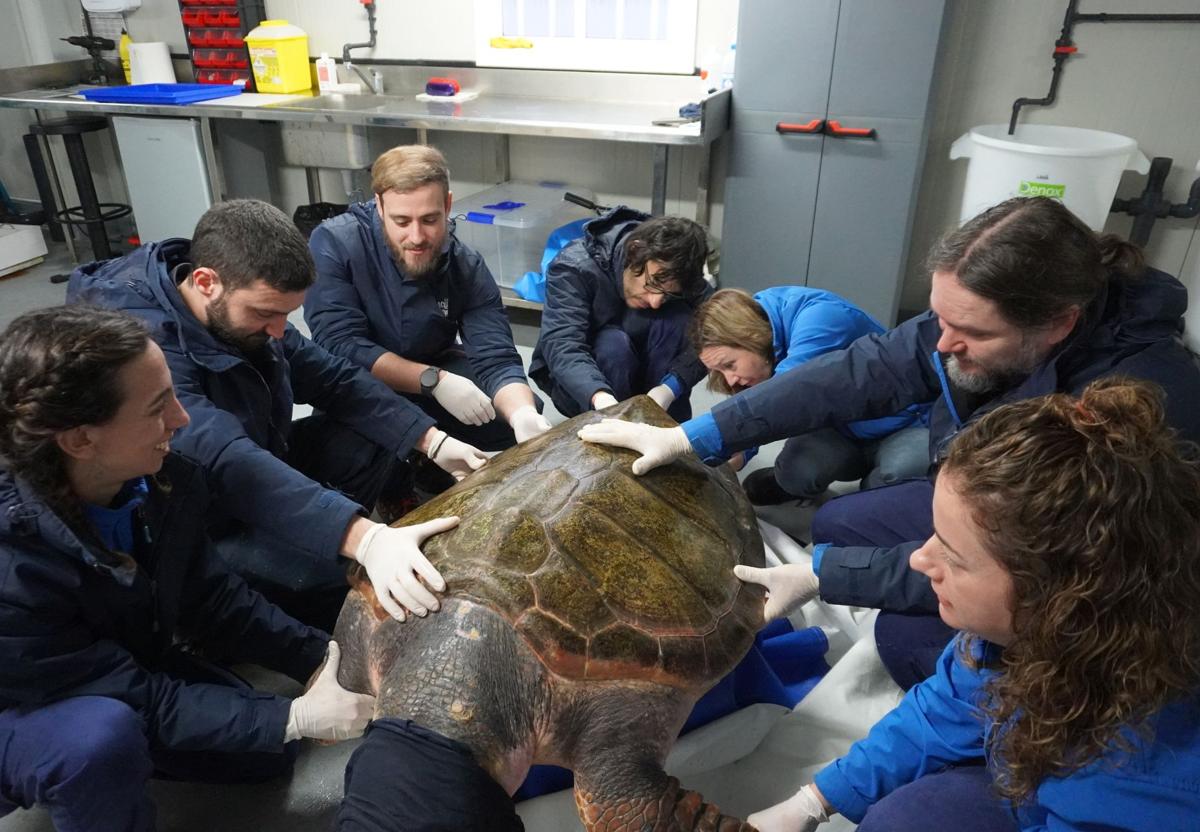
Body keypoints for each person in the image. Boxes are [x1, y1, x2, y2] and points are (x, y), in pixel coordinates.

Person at [579, 196, 1200, 688]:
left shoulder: (1133, 416)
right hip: (978, 491)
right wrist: (698, 435)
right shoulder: (993, 321)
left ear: (1058, 323)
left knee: (906, 640)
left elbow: (1034, 567)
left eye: (968, 332)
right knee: (843, 522)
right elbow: (860, 372)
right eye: (940, 319)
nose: (942, 343)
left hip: (1083, 574)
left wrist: (826, 576)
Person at [0, 306, 450, 832]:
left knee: (262, 753)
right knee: (99, 742)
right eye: (156, 407)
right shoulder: (13, 565)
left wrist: (329, 658)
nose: (181, 418)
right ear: (80, 440)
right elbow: (133, 696)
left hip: (109, 654)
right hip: (27, 699)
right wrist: (290, 717)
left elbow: (212, 598)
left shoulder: (154, 477)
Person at [739, 378, 1200, 831]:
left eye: (954, 558)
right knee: (901, 642)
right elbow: (949, 703)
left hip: (1087, 793)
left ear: (1057, 598)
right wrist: (814, 801)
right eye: (933, 535)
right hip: (1043, 743)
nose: (919, 558)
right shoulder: (1032, 634)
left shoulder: (1142, 786)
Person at [68, 199, 480, 631]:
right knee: (348, 592)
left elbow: (332, 379)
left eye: (286, 313)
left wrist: (432, 441)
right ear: (206, 281)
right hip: (190, 513)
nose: (279, 331)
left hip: (260, 451)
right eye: (266, 313)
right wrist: (362, 538)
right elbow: (220, 455)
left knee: (378, 433)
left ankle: (341, 523)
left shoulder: (238, 307)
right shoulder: (139, 345)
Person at [305, 144, 550, 454]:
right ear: (379, 206)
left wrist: (521, 413)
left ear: (447, 205)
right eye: (402, 222)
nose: (417, 236)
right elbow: (340, 345)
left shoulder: (464, 264)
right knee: (352, 445)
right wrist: (434, 381)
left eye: (430, 220)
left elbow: (495, 354)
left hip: (431, 367)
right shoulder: (335, 243)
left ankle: (425, 462)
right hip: (361, 380)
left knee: (512, 413)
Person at [691, 286, 930, 504]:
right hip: (845, 424)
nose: (730, 379)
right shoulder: (764, 323)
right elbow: (759, 399)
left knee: (894, 482)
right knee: (797, 471)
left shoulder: (822, 319)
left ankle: (871, 498)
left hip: (904, 422)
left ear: (748, 336)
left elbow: (781, 396)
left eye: (730, 365)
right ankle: (793, 487)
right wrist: (743, 450)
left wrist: (690, 440)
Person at [528, 206, 712, 422]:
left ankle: (664, 424)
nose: (655, 301)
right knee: (614, 345)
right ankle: (609, 424)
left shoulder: (679, 269)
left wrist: (670, 387)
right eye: (653, 283)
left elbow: (717, 334)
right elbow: (563, 345)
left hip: (650, 371)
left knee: (679, 321)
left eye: (668, 294)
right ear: (634, 252)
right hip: (588, 383)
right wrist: (600, 398)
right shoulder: (574, 267)